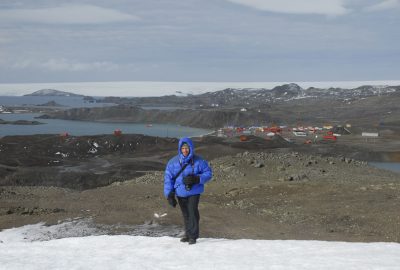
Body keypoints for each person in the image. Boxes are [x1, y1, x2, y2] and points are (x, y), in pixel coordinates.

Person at [164, 137, 212, 245]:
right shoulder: (172, 162)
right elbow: (168, 179)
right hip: (180, 192)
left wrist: (197, 179)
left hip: (194, 192)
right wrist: (169, 195)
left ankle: (193, 236)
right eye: (183, 148)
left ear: (191, 148)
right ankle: (188, 234)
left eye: (187, 148)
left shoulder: (199, 161)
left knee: (192, 212)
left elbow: (208, 174)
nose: (185, 150)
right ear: (180, 149)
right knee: (185, 214)